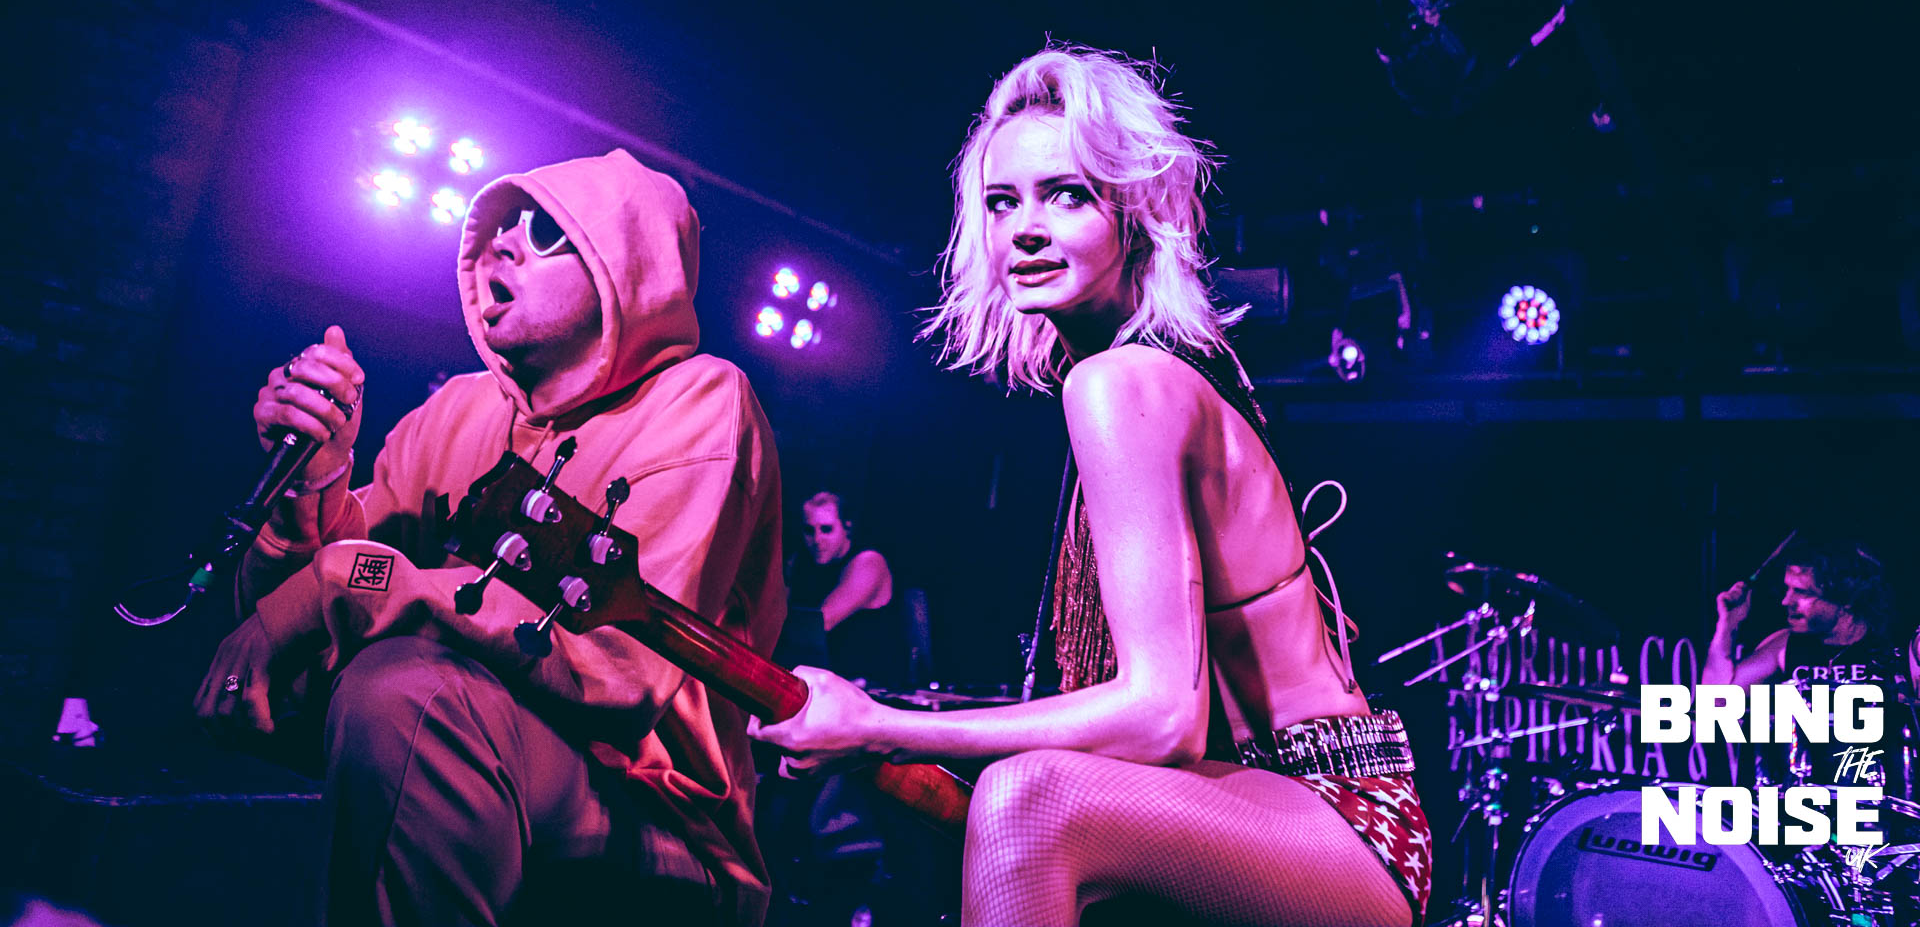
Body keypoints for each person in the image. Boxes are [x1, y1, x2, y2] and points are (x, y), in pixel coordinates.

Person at [751, 46, 1431, 926]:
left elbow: (1160, 720)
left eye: (1066, 195)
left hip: (1332, 818)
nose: (1025, 230)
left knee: (1027, 801)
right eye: (1002, 202)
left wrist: (877, 723)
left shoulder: (1122, 383)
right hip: (1265, 803)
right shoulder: (1157, 369)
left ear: (1135, 214)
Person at [194, 148, 785, 926]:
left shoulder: (700, 401)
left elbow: (619, 673)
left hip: (656, 821)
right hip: (477, 771)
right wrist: (313, 482)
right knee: (358, 693)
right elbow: (283, 646)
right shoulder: (458, 409)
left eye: (544, 230)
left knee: (411, 694)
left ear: (626, 264)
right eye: (503, 225)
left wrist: (346, 582)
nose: (503, 241)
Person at [1705, 535, 1917, 790]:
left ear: (1846, 598)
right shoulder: (1785, 645)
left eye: (1802, 592)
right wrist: (1727, 624)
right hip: (1802, 803)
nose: (1786, 601)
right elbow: (1713, 706)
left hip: (1881, 803)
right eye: (1787, 589)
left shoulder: (1897, 647)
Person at [780, 491, 904, 690]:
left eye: (827, 529)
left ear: (847, 527)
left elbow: (819, 623)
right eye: (809, 531)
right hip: (826, 685)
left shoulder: (868, 562)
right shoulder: (801, 562)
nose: (817, 539)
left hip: (870, 687)